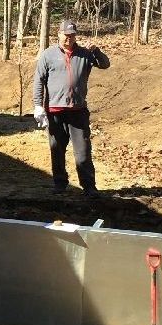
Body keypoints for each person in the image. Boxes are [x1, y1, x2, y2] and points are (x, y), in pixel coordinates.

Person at [31, 19, 110, 196]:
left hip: (78, 112)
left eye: (72, 35)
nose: (69, 39)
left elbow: (105, 64)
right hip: (55, 112)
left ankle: (89, 186)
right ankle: (60, 184)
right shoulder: (48, 55)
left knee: (83, 152)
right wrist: (38, 106)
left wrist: (96, 50)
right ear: (59, 34)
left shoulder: (85, 54)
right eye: (66, 35)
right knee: (57, 150)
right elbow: (38, 81)